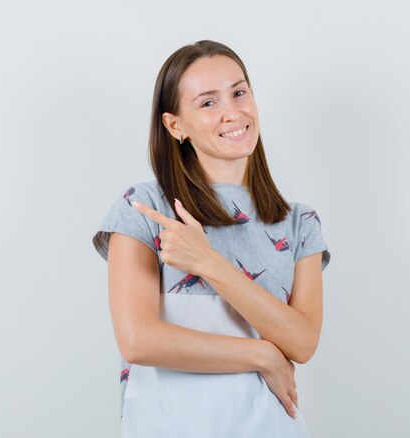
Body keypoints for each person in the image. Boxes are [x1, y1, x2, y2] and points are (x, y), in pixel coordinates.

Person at [91, 40, 331, 437]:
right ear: (175, 125)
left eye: (239, 93)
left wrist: (207, 262)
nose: (232, 112)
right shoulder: (144, 207)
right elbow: (138, 340)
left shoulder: (299, 223)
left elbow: (303, 342)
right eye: (208, 103)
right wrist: (260, 354)